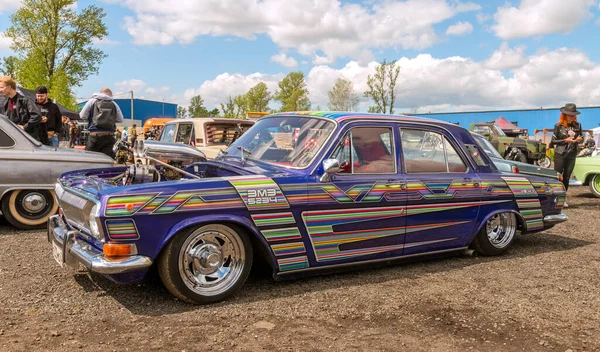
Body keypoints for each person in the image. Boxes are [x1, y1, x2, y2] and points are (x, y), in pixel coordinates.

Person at [551, 103, 583, 208]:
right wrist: (565, 140)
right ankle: (555, 198)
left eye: (573, 115)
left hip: (572, 154)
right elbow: (553, 141)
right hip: (560, 154)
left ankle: (563, 198)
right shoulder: (558, 126)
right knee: (558, 176)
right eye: (570, 115)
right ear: (565, 115)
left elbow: (580, 138)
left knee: (567, 177)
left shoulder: (578, 125)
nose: (572, 117)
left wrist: (579, 140)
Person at [79, 88, 124, 157]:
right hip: (108, 136)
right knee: (106, 161)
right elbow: (120, 119)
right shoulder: (114, 103)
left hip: (94, 136)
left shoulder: (92, 101)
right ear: (109, 94)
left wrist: (91, 117)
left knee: (90, 159)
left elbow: (82, 116)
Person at [0, 76, 42, 140]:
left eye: (2, 87)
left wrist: (25, 127)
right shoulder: (6, 103)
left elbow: (37, 116)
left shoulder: (25, 100)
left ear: (9, 87)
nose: (0, 90)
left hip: (28, 139)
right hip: (14, 140)